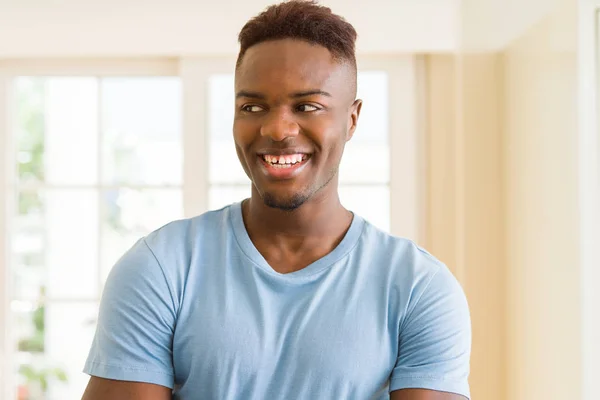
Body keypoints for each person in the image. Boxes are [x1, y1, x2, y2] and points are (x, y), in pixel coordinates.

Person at [81, 1, 471, 399]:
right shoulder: (161, 268)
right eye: (252, 106)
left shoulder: (418, 288)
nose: (276, 128)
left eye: (307, 106)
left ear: (352, 119)